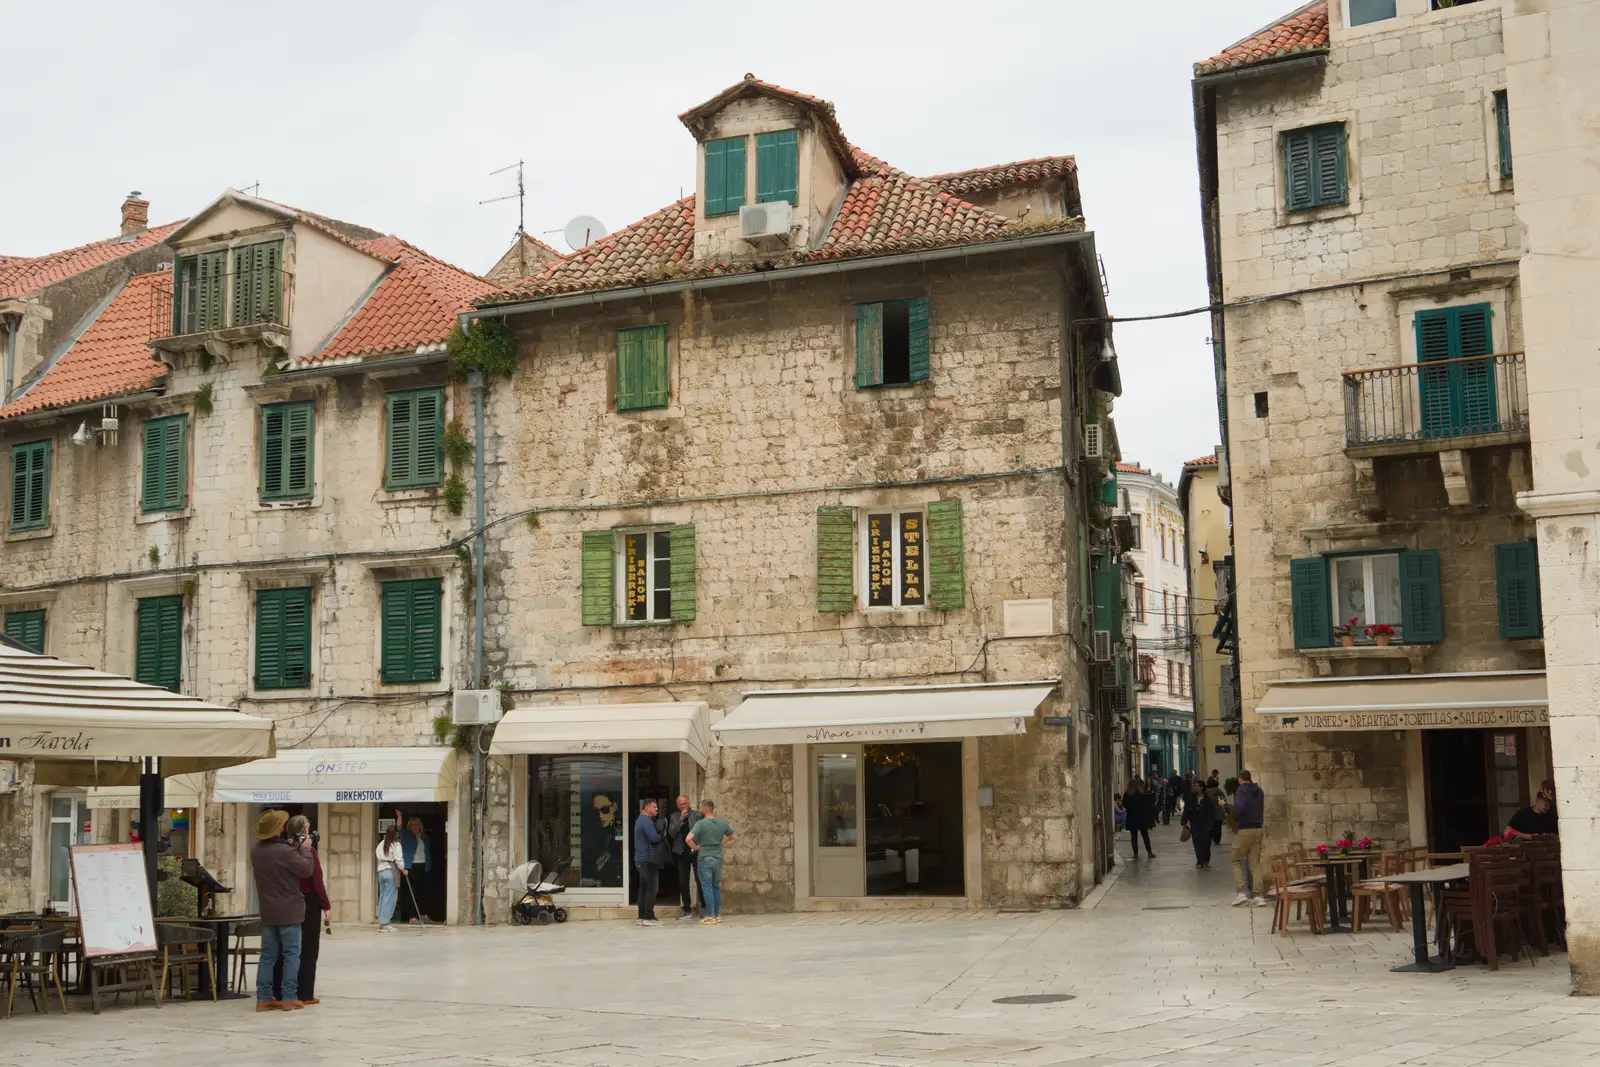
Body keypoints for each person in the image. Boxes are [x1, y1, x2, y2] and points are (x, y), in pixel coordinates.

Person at [250, 809, 313, 1011]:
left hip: (268, 911)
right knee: (291, 954)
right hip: (289, 910)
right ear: (278, 829)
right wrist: (306, 850)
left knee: (268, 955)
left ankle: (264, 997)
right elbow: (306, 870)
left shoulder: (256, 850)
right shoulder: (285, 852)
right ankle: (288, 996)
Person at [272, 816, 332, 1005]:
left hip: (287, 900)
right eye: (308, 827)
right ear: (304, 830)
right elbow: (316, 880)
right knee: (308, 947)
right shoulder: (309, 852)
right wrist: (326, 905)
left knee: (285, 947)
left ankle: (280, 990)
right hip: (308, 901)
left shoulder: (284, 850)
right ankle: (305, 992)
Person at [687, 799, 737, 924]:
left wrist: (695, 847)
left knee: (707, 887)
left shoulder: (701, 824)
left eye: (700, 809)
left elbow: (688, 839)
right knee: (715, 886)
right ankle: (718, 914)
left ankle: (710, 916)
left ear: (704, 810)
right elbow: (734, 838)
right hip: (717, 858)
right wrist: (722, 845)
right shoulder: (721, 823)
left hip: (705, 858)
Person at [1226, 770, 1269, 907]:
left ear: (1240, 779)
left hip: (1245, 829)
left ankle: (1240, 893)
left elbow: (1238, 808)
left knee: (1235, 860)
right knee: (1255, 863)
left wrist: (1225, 806)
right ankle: (1258, 896)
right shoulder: (1260, 790)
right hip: (1258, 829)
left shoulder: (1241, 790)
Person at [665, 794, 701, 920]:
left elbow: (702, 830)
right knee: (683, 881)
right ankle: (686, 908)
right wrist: (680, 820)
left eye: (685, 803)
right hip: (681, 852)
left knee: (699, 879)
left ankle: (704, 906)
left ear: (689, 802)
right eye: (681, 804)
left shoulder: (696, 815)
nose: (683, 806)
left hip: (695, 851)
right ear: (677, 805)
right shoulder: (674, 816)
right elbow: (671, 834)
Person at [633, 799, 665, 926]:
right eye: (654, 807)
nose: (657, 809)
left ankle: (641, 917)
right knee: (652, 888)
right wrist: (663, 834)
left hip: (640, 860)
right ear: (646, 807)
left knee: (644, 889)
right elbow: (654, 838)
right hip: (647, 860)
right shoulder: (646, 821)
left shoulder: (640, 820)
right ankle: (648, 917)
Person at [397, 813, 432, 923]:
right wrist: (400, 816)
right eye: (412, 825)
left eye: (416, 825)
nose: (414, 827)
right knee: (411, 893)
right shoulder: (406, 836)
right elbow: (399, 828)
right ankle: (411, 917)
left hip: (424, 866)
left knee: (423, 892)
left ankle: (423, 915)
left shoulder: (424, 837)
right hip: (411, 867)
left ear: (420, 826)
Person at [1181, 779, 1219, 869]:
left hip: (1205, 824)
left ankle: (1206, 859)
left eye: (1196, 786)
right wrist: (1184, 821)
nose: (1194, 788)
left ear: (1201, 787)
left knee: (1206, 843)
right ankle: (1200, 860)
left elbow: (1211, 813)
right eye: (1193, 786)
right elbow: (1187, 810)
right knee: (1197, 842)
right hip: (1195, 823)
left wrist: (1210, 824)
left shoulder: (1207, 799)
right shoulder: (1191, 799)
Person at [375, 825, 406, 931]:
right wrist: (403, 870)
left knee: (383, 896)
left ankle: (381, 920)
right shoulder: (396, 845)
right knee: (390, 897)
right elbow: (398, 860)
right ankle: (385, 922)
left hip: (381, 871)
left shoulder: (381, 844)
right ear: (395, 834)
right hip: (391, 871)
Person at [1122, 777, 1156, 859]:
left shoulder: (1127, 795)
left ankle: (1136, 854)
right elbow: (1147, 804)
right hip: (1141, 817)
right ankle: (1149, 852)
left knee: (1134, 836)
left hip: (1132, 817)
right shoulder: (1141, 794)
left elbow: (1124, 804)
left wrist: (1130, 808)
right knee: (1145, 835)